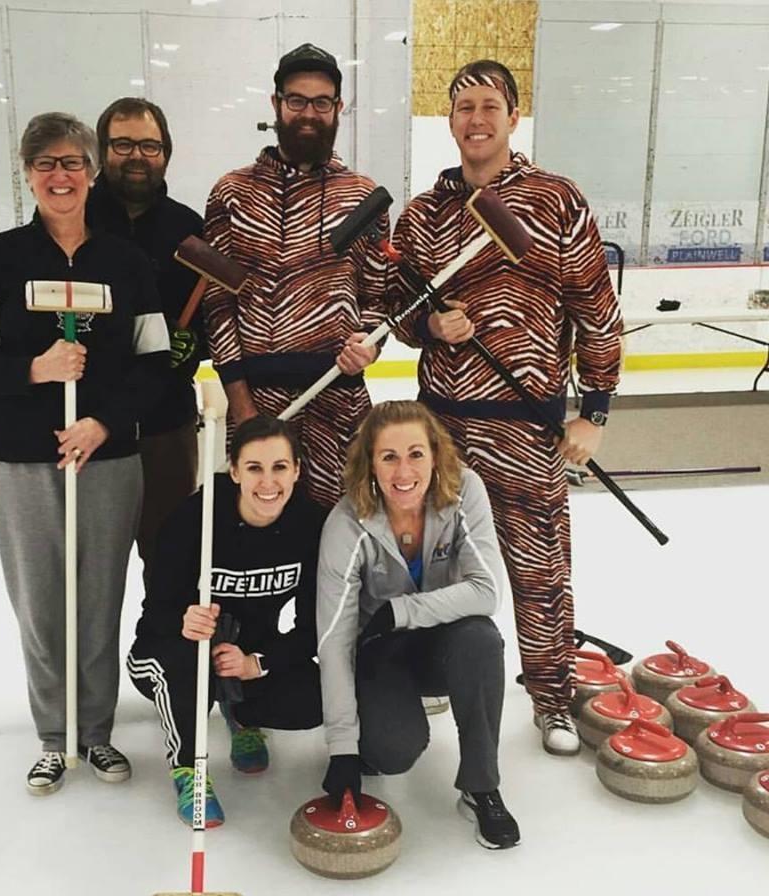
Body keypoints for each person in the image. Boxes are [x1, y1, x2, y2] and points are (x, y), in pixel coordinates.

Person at [390, 60, 623, 756]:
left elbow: (597, 311)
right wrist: (429, 327)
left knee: (539, 568)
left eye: (490, 105)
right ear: (450, 120)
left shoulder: (555, 201)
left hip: (527, 426)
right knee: (433, 559)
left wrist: (595, 411)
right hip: (442, 428)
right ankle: (433, 672)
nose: (476, 119)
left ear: (513, 117)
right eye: (463, 107)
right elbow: (396, 313)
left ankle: (552, 697)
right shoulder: (423, 214)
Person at [0, 112, 170, 795]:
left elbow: (156, 363)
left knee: (99, 599)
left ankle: (98, 732)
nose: (61, 176)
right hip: (23, 460)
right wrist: (36, 372)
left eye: (73, 162)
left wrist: (102, 422)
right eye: (46, 163)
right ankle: (55, 736)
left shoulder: (126, 264)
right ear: (27, 174)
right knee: (41, 605)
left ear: (91, 172)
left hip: (108, 459)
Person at [317, 400, 519, 850]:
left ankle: (481, 786)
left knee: (483, 641)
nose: (403, 471)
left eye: (415, 454)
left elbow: (487, 591)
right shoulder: (347, 523)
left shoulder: (464, 490)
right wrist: (342, 750)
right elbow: (333, 641)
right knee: (392, 753)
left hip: (443, 639)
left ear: (435, 456)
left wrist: (402, 610)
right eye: (388, 456)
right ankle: (378, 729)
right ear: (370, 463)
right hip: (380, 648)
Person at [202, 42, 390, 509]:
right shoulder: (233, 192)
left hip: (338, 400)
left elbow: (377, 295)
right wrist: (241, 405)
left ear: (338, 108)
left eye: (322, 102)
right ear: (276, 104)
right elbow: (218, 304)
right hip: (257, 401)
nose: (309, 113)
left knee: (339, 530)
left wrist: (368, 343)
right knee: (262, 523)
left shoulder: (363, 196)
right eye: (297, 100)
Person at [129, 415, 325, 826]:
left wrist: (258, 663)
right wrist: (184, 620)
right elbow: (156, 609)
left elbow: (314, 629)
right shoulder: (194, 519)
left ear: (297, 470)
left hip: (245, 655)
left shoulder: (310, 526)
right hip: (173, 651)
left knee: (314, 699)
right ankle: (188, 769)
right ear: (234, 470)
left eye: (279, 467)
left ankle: (242, 714)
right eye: (254, 468)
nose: (267, 483)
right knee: (187, 667)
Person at [86, 97, 205, 587]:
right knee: (90, 573)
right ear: (102, 151)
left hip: (166, 425)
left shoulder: (188, 227)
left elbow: (214, 315)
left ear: (166, 153)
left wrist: (196, 344)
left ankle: (162, 663)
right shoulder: (76, 222)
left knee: (172, 564)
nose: (138, 155)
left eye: (150, 145)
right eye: (123, 144)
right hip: (89, 424)